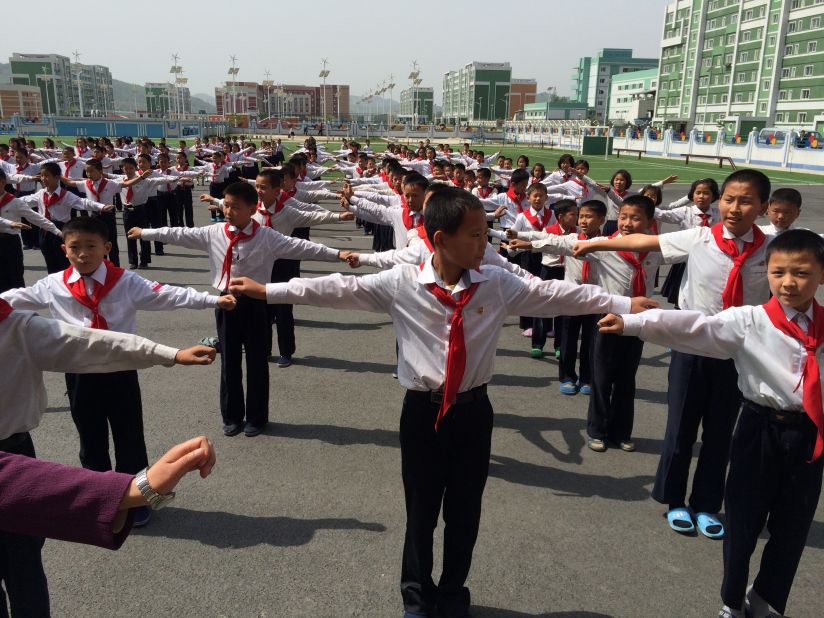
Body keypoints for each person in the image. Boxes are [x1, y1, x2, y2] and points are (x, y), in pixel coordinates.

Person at [228, 186, 654, 618]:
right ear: (439, 238)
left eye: (485, 233)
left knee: (465, 514)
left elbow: (558, 295)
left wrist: (621, 301)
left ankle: (452, 595)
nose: (483, 243)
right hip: (422, 412)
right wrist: (269, 291)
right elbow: (337, 289)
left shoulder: (496, 284)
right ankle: (416, 596)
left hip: (474, 413)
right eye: (474, 235)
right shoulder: (402, 284)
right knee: (421, 512)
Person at [598, 229, 824, 618]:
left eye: (801, 273)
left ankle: (767, 598)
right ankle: (732, 600)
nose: (788, 283)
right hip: (759, 428)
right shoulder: (750, 320)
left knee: (793, 527)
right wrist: (635, 323)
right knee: (743, 521)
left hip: (810, 435)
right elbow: (693, 328)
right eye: (778, 272)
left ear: (821, 274)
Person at [573, 169, 774, 537]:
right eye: (728, 199)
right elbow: (640, 243)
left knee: (719, 434)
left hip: (738, 354)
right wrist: (595, 245)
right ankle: (675, 499)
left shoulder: (772, 248)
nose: (734, 207)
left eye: (746, 201)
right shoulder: (700, 237)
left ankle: (707, 503)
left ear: (763, 207)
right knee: (680, 428)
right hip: (691, 347)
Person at [1, 216, 234, 526]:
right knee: (90, 437)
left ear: (107, 248)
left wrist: (212, 300)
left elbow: (168, 294)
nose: (83, 253)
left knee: (129, 436)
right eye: (75, 247)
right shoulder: (53, 284)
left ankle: (137, 499)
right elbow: (11, 299)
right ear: (64, 250)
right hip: (80, 374)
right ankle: (98, 500)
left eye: (91, 246)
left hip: (122, 369)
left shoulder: (125, 281)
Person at [0, 296, 215, 618]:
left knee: (23, 566)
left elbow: (93, 344)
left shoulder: (15, 328)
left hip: (12, 451)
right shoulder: (42, 297)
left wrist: (170, 354)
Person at [127, 181, 348, 438]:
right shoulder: (215, 232)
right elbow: (179, 234)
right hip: (225, 302)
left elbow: (304, 247)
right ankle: (232, 416)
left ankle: (256, 418)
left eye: (235, 207)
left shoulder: (267, 236)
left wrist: (337, 254)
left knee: (257, 362)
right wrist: (145, 233)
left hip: (256, 304)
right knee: (229, 361)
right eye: (227, 205)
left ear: (253, 209)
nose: (228, 211)